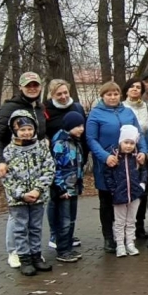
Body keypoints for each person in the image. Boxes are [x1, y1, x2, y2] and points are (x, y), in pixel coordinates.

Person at [0, 71, 47, 269]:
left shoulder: (39, 107)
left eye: (35, 85)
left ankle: (33, 253)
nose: (32, 88)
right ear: (21, 87)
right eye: (28, 85)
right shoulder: (10, 108)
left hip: (35, 165)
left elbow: (40, 132)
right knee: (17, 216)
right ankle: (14, 251)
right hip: (14, 167)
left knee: (34, 219)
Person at [86, 81, 147, 253]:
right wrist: (105, 157)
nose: (112, 97)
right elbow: (91, 139)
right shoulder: (95, 114)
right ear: (102, 96)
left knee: (130, 198)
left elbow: (138, 134)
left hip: (129, 164)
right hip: (108, 164)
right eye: (109, 94)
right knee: (107, 200)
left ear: (120, 95)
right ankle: (109, 237)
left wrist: (142, 150)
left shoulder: (127, 112)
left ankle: (129, 236)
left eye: (115, 94)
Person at [0, 110, 55, 276]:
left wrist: (38, 190)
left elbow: (49, 169)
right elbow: (7, 178)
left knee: (35, 227)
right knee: (20, 228)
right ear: (15, 130)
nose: (26, 132)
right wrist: (22, 194)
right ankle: (24, 258)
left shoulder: (41, 148)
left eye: (29, 129)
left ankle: (36, 255)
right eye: (22, 129)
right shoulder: (8, 151)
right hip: (18, 200)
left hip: (38, 197)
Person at [43, 78, 87, 251]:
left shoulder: (76, 108)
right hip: (56, 158)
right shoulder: (46, 109)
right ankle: (56, 234)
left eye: (65, 93)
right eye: (58, 94)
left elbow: (83, 133)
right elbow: (41, 130)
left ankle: (67, 234)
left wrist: (83, 157)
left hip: (75, 157)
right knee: (56, 199)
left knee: (71, 204)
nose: (62, 96)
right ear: (52, 94)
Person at [104, 125, 148, 257]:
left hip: (135, 193)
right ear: (120, 142)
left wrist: (142, 185)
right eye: (126, 142)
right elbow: (108, 174)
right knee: (119, 222)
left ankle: (130, 243)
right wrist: (113, 189)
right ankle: (120, 245)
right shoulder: (114, 156)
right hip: (119, 194)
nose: (128, 146)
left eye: (132, 143)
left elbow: (144, 171)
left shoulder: (137, 157)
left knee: (131, 221)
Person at [49, 112, 86, 263]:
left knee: (71, 219)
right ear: (69, 126)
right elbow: (54, 167)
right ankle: (62, 249)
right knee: (63, 221)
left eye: (82, 125)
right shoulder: (60, 143)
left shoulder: (75, 141)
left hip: (73, 187)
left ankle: (68, 246)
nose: (81, 129)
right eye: (78, 126)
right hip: (63, 188)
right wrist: (60, 188)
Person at [122, 77, 148, 239]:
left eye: (138, 87)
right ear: (127, 90)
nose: (135, 89)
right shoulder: (121, 107)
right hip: (126, 154)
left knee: (143, 191)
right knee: (127, 190)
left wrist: (147, 151)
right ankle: (126, 226)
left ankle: (140, 224)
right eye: (132, 87)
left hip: (143, 153)